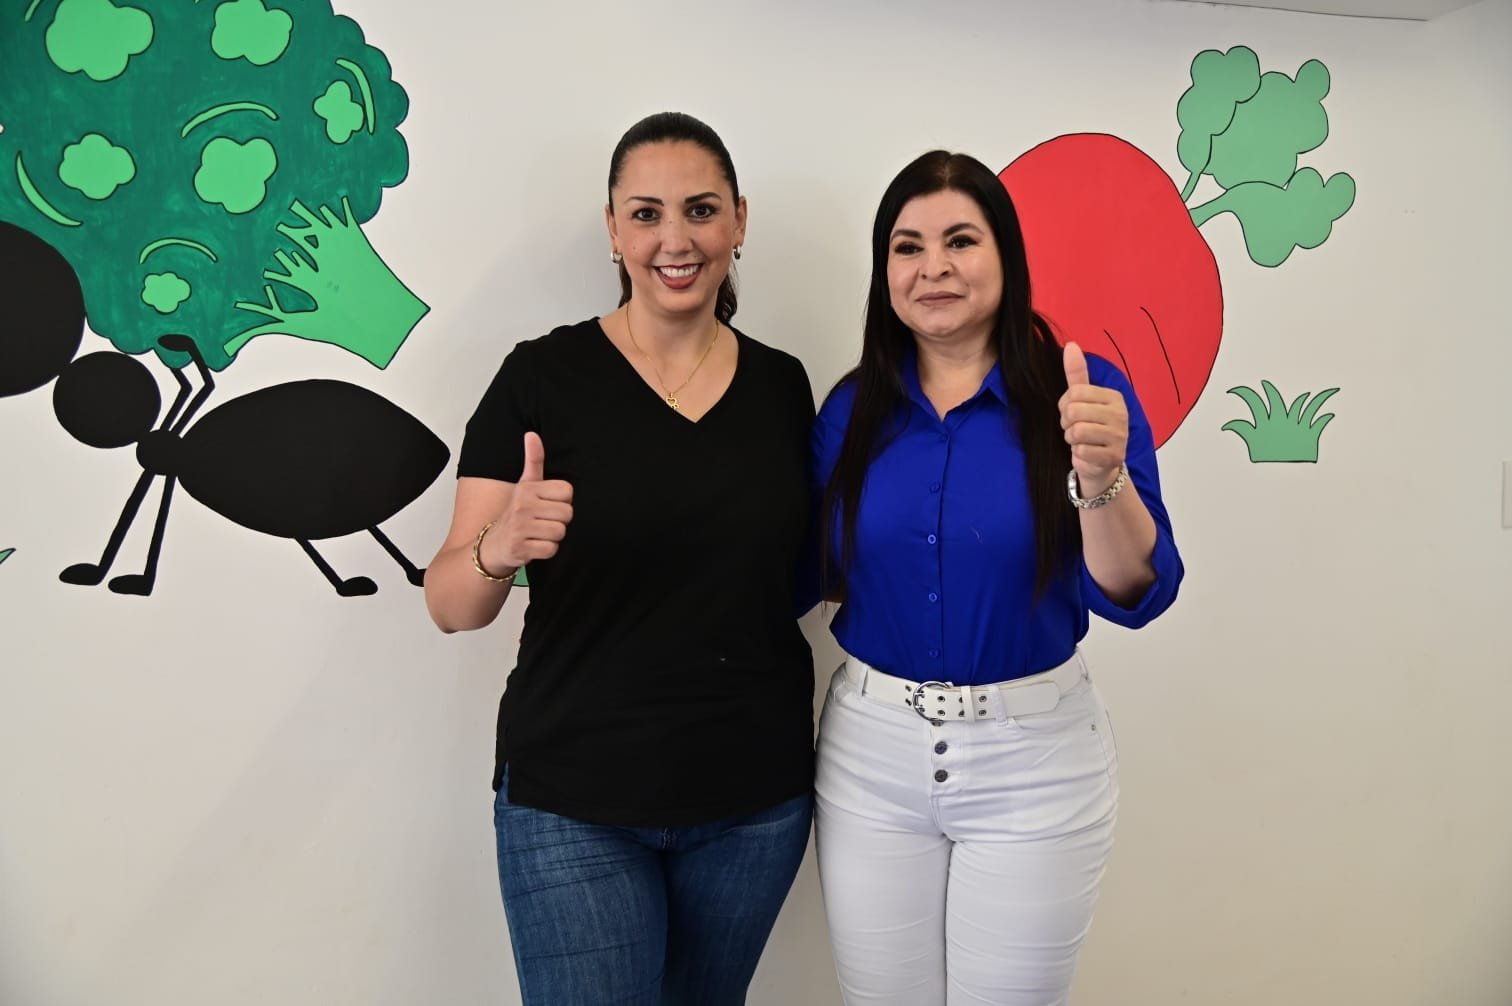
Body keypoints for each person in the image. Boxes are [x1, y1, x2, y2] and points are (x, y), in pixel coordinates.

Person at [424, 112, 817, 1006]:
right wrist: (501, 545)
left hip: (753, 803)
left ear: (740, 222)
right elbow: (450, 601)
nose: (674, 240)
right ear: (612, 229)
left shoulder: (785, 387)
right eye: (646, 214)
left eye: (701, 210)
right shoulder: (539, 377)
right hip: (573, 802)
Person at [809, 150, 1184, 1005]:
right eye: (907, 248)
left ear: (1006, 259)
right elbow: (806, 572)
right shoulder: (850, 410)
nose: (933, 267)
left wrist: (1099, 475)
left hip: (1037, 765)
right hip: (871, 760)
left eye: (960, 241)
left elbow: (1135, 588)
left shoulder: (1083, 398)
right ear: (885, 273)